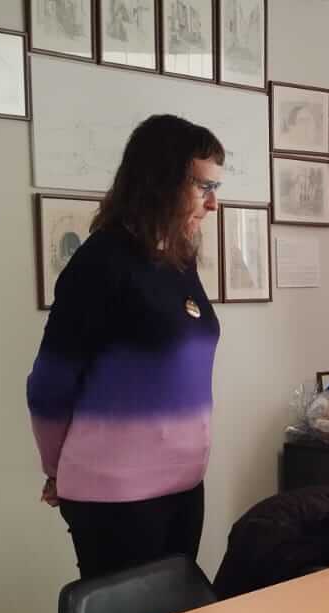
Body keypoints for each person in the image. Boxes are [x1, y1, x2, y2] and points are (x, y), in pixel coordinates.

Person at [27, 113, 224, 579]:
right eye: (204, 187)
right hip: (116, 495)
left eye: (216, 188)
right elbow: (50, 383)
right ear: (162, 181)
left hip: (183, 485)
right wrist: (56, 468)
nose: (213, 204)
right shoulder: (101, 262)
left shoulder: (179, 261)